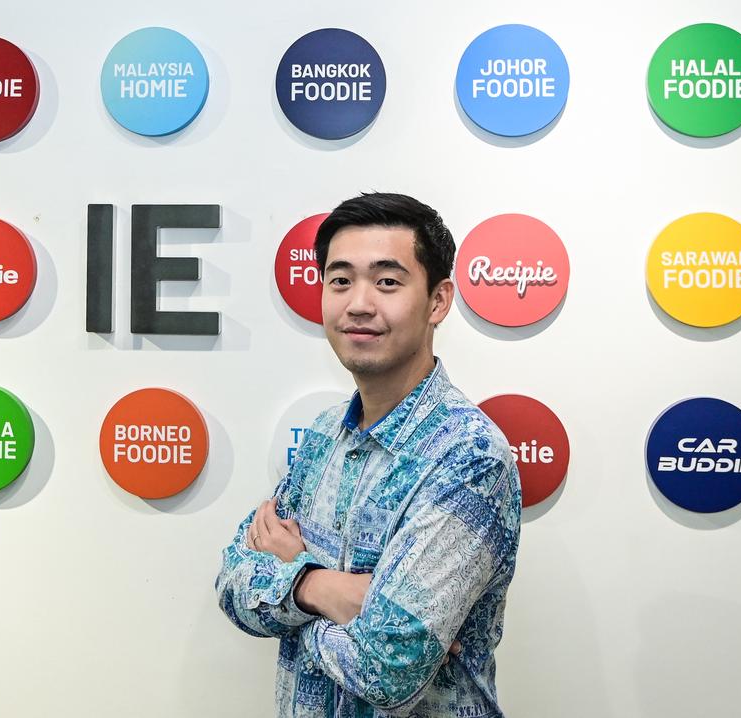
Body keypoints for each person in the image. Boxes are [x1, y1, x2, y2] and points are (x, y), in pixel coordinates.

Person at [215, 192, 522, 717]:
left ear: (438, 301)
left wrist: (291, 580)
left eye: (387, 282)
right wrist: (321, 588)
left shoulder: (469, 455)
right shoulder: (323, 435)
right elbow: (231, 584)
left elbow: (387, 668)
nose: (358, 303)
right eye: (340, 280)